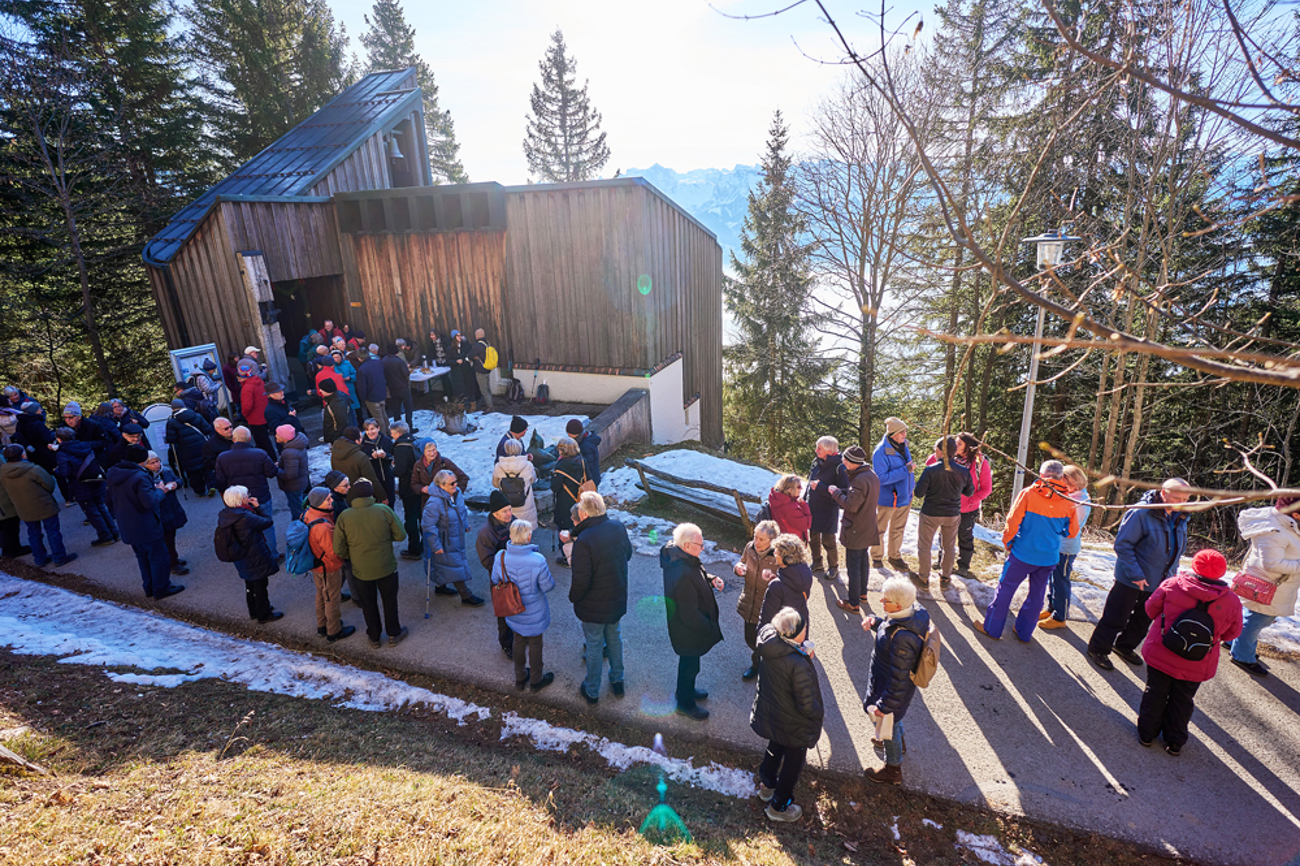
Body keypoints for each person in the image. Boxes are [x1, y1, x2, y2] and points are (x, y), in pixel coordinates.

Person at [1138, 549, 1242, 756]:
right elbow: (1232, 633)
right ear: (1222, 571)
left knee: (1155, 692)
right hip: (1198, 661)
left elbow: (1150, 609)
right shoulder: (1231, 601)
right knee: (1183, 699)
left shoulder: (1172, 585)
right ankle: (1175, 741)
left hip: (1162, 652)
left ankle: (1146, 734)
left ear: (1195, 565)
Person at [1087, 478, 1192, 671]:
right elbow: (1123, 545)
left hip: (1159, 580)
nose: (1181, 503)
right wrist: (1135, 574)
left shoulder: (1182, 516)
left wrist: (1171, 577)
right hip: (1131, 578)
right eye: (1177, 498)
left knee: (1143, 619)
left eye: (1185, 499)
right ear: (1163, 493)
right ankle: (1098, 649)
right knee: (1116, 616)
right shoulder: (1141, 512)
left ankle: (1124, 647)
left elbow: (1175, 550)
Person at [975, 461, 1079, 644]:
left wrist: (1008, 542)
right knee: (1037, 594)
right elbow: (1072, 532)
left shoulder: (1029, 493)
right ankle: (1024, 632)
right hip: (1049, 557)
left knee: (1005, 589)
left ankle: (992, 628)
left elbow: (1012, 521)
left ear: (1041, 474)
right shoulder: (1068, 500)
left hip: (1023, 553)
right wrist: (1057, 531)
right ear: (1060, 477)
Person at [751, 606, 823, 823]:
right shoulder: (797, 664)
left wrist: (800, 652)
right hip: (794, 723)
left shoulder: (769, 644)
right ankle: (779, 806)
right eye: (804, 628)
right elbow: (807, 704)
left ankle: (767, 787)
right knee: (793, 763)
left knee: (775, 747)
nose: (806, 630)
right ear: (795, 633)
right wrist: (817, 713)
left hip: (775, 713)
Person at [861, 575, 930, 785]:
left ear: (898, 605)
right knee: (893, 723)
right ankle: (899, 743)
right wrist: (876, 622)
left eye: (885, 600)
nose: (881, 602)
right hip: (887, 683)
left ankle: (892, 770)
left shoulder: (902, 640)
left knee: (888, 724)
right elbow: (890, 627)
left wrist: (885, 705)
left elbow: (897, 680)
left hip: (888, 690)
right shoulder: (911, 613)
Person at [569, 491, 633, 704]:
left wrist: (573, 597)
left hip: (593, 605)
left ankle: (592, 690)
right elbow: (628, 554)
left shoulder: (584, 540)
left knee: (594, 645)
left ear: (585, 514)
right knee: (614, 638)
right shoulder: (618, 527)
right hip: (616, 597)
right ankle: (617, 681)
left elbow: (581, 580)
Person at [1225, 498, 1300, 676]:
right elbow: (1272, 564)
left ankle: (1233, 641)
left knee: (1252, 617)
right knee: (1257, 620)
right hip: (1269, 585)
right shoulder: (1275, 531)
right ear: (1296, 514)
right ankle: (1242, 656)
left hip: (1270, 583)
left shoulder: (1284, 523)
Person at [661, 522, 725, 721]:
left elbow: (698, 570)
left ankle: (686, 691)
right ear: (687, 545)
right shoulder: (683, 572)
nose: (703, 548)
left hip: (687, 629)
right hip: (688, 630)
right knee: (689, 667)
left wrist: (710, 578)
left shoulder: (683, 557)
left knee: (690, 664)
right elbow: (689, 613)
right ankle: (685, 704)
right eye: (700, 545)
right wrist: (708, 627)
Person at [334, 478, 407, 647]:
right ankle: (394, 633)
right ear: (371, 494)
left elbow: (338, 548)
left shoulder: (345, 516)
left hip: (361, 570)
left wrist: (352, 556)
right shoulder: (383, 510)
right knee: (389, 601)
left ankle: (374, 637)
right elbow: (401, 535)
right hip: (386, 566)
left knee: (368, 603)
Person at [491, 519, 557, 691]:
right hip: (534, 612)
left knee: (518, 641)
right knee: (535, 644)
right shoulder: (538, 560)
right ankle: (536, 680)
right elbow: (548, 586)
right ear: (528, 537)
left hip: (513, 609)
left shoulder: (501, 556)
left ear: (511, 536)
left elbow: (495, 579)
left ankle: (520, 677)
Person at [106, 443, 177, 597]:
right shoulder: (140, 477)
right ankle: (161, 588)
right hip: (146, 525)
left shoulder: (113, 474)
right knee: (159, 558)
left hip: (127, 525)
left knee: (142, 557)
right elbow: (150, 502)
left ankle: (149, 587)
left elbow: (109, 501)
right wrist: (161, 491)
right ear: (143, 460)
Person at [914, 436, 975, 590]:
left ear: (941, 451)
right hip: (952, 513)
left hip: (931, 513)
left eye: (936, 449)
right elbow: (969, 492)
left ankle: (923, 579)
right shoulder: (963, 471)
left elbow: (919, 493)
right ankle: (945, 578)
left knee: (925, 546)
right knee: (949, 547)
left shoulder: (931, 470)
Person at [1, 444, 76, 567]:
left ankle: (40, 559)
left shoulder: (3, 473)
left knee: (33, 533)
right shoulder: (33, 469)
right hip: (43, 504)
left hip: (22, 507)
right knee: (52, 531)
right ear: (22, 455)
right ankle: (59, 557)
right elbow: (49, 484)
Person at [422, 469, 486, 606]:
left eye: (456, 482)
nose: (455, 485)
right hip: (444, 541)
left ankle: (440, 586)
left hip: (456, 537)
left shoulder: (457, 494)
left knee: (445, 565)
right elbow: (428, 526)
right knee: (454, 566)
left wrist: (465, 524)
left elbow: (461, 512)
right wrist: (436, 545)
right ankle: (466, 595)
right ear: (441, 485)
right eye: (452, 483)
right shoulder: (434, 503)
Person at [217, 485, 281, 622]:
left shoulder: (226, 515)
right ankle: (264, 614)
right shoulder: (245, 517)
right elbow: (267, 521)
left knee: (250, 583)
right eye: (247, 495)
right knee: (260, 585)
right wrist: (258, 507)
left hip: (241, 556)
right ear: (241, 500)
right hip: (254, 555)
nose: (249, 497)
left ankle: (254, 610)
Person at [828, 445, 880, 612]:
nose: (843, 462)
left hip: (856, 529)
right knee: (863, 561)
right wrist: (843, 491)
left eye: (845, 460)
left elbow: (851, 505)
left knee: (853, 567)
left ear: (852, 462)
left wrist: (836, 493)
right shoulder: (871, 475)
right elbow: (858, 497)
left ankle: (853, 603)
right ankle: (862, 595)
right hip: (867, 526)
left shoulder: (859, 480)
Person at [214, 426, 280, 559]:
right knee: (266, 526)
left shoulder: (222, 457)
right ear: (249, 438)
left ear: (233, 439)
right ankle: (272, 555)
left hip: (237, 501)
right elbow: (272, 473)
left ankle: (250, 557)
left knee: (242, 529)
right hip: (260, 496)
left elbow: (220, 482)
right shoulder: (260, 454)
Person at [1041, 465, 1092, 630]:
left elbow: (1070, 526)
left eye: (1065, 482)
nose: (1062, 485)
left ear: (1074, 482)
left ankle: (1060, 616)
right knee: (1053, 579)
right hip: (1057, 545)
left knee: (1061, 581)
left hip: (1066, 547)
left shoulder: (1080, 501)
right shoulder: (1071, 496)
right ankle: (1051, 607)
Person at [303, 487, 356, 643]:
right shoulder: (324, 527)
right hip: (329, 568)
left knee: (321, 595)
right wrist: (341, 561)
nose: (332, 500)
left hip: (317, 565)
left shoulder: (307, 514)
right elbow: (334, 552)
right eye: (328, 499)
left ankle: (322, 626)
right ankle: (334, 631)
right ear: (319, 502)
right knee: (332, 599)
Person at [54, 427, 118, 547]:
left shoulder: (62, 453)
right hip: (95, 480)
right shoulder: (85, 446)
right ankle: (114, 532)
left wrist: (56, 470)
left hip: (80, 485)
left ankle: (105, 536)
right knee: (101, 507)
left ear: (59, 439)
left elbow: (65, 472)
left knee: (92, 512)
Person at [734, 520, 781, 680]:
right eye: (755, 537)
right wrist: (738, 568)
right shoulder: (749, 547)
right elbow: (742, 562)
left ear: (772, 541)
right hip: (749, 603)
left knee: (766, 641)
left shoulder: (778, 556)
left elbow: (787, 582)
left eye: (761, 539)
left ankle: (759, 666)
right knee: (750, 638)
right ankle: (761, 662)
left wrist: (774, 580)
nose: (757, 542)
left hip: (768, 607)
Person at [872, 418, 915, 572]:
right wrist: (906, 470)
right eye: (901, 432)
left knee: (898, 529)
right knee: (880, 529)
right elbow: (881, 478)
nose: (905, 434)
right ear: (893, 434)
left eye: (905, 431)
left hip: (905, 496)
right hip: (888, 499)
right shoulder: (880, 452)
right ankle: (877, 557)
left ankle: (894, 556)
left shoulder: (904, 445)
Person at [477, 490, 517, 657]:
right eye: (504, 511)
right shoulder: (486, 533)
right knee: (504, 613)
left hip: (518, 576)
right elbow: (487, 561)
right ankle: (507, 644)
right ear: (495, 513)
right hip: (501, 581)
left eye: (510, 509)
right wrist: (508, 564)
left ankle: (519, 638)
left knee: (519, 608)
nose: (509, 514)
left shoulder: (514, 522)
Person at [805, 436, 847, 579]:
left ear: (829, 451)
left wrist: (821, 488)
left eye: (819, 449)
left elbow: (843, 491)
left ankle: (833, 567)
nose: (816, 451)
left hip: (829, 509)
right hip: (813, 505)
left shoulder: (840, 467)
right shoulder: (816, 462)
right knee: (813, 537)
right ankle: (817, 562)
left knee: (828, 540)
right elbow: (810, 482)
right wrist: (804, 498)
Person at [758, 534, 814, 642]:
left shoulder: (776, 587)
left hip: (781, 636)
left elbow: (766, 618)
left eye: (777, 553)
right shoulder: (806, 574)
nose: (774, 553)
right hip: (800, 630)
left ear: (786, 558)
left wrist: (760, 641)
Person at [953, 433, 993, 578]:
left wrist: (971, 500)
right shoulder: (950, 459)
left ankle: (963, 566)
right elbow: (931, 463)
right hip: (949, 505)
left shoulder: (979, 463)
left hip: (968, 509)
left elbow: (987, 488)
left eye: (959, 444)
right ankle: (942, 561)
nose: (955, 446)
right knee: (945, 536)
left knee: (965, 536)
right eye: (955, 442)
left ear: (968, 447)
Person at [145, 450, 189, 576]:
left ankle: (173, 558)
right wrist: (160, 490)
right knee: (167, 540)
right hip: (161, 512)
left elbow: (179, 480)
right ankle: (172, 563)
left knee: (171, 537)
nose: (156, 464)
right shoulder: (146, 477)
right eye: (152, 463)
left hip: (172, 509)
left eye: (157, 461)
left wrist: (176, 484)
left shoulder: (166, 471)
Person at [388, 421, 422, 560]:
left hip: (409, 487)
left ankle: (414, 549)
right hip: (421, 484)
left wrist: (392, 468)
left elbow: (400, 471)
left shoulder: (400, 447)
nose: (391, 435)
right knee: (422, 516)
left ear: (398, 433)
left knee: (411, 519)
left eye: (392, 433)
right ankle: (426, 545)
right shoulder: (416, 441)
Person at [551, 436, 588, 565]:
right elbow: (589, 477)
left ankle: (567, 557)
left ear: (563, 451)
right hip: (581, 501)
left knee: (565, 529)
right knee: (580, 527)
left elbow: (555, 487)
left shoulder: (561, 466)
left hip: (565, 503)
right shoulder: (582, 461)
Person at [164, 398, 212, 495]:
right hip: (201, 446)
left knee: (193, 471)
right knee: (206, 467)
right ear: (184, 406)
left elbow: (172, 440)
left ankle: (200, 491)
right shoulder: (197, 415)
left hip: (185, 450)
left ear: (172, 409)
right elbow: (207, 430)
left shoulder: (172, 422)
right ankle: (211, 486)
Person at [492, 438, 538, 529]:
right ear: (520, 449)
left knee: (509, 532)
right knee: (525, 531)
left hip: (507, 506)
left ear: (506, 450)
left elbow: (495, 484)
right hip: (525, 504)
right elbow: (533, 480)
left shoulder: (498, 466)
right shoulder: (528, 465)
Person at [238, 358, 276, 458]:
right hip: (265, 413)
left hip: (255, 418)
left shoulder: (247, 387)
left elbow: (247, 406)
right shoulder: (259, 381)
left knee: (262, 441)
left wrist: (244, 415)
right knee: (266, 439)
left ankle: (271, 459)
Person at [331, 425, 384, 495]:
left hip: (343, 493)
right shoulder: (361, 457)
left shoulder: (335, 453)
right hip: (360, 494)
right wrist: (382, 496)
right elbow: (371, 480)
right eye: (361, 437)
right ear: (357, 441)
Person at [275, 424, 310, 521]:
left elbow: (290, 474)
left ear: (284, 438)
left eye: (277, 434)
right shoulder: (297, 445)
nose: (275, 436)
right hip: (301, 482)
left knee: (297, 511)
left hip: (294, 486)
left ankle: (301, 526)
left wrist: (276, 469)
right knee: (300, 504)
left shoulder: (289, 452)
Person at [360, 419, 396, 505]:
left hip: (388, 477)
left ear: (378, 428)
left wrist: (385, 455)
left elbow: (394, 456)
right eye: (367, 430)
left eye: (372, 429)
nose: (370, 432)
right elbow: (361, 461)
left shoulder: (386, 440)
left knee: (390, 501)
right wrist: (371, 457)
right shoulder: (363, 444)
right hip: (373, 480)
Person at [767, 474, 811, 541]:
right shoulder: (790, 508)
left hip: (782, 537)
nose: (801, 489)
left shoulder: (777, 498)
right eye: (799, 487)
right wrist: (803, 505)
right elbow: (806, 524)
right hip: (792, 542)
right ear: (790, 490)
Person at [355, 348, 388, 434]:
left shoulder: (362, 369)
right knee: (383, 414)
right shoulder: (378, 362)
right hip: (381, 392)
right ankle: (388, 431)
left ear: (359, 357)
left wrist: (362, 398)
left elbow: (362, 386)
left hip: (371, 397)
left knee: (378, 418)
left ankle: (383, 435)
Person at [382, 344, 414, 428]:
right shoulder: (399, 361)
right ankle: (409, 426)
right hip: (403, 387)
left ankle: (398, 427)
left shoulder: (383, 361)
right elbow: (406, 373)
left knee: (396, 409)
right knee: (408, 408)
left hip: (392, 387)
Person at [201, 417, 234, 496]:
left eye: (231, 427)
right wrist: (224, 463)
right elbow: (207, 463)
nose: (230, 430)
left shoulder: (237, 437)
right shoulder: (210, 444)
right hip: (226, 480)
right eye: (226, 428)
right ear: (217, 430)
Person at [566, 418, 602, 487]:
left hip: (589, 481)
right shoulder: (583, 440)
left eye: (570, 435)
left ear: (576, 434)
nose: (568, 436)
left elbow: (587, 466)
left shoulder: (586, 446)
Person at [318, 378, 352, 445]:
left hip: (338, 439)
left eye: (322, 389)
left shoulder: (337, 403)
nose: (320, 391)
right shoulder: (335, 399)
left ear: (327, 390)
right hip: (337, 437)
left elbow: (342, 423)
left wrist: (335, 439)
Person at [470, 328, 495, 412]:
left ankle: (490, 406)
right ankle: (490, 402)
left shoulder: (478, 345)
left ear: (477, 336)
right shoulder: (487, 343)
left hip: (481, 370)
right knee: (488, 388)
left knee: (484, 390)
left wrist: (474, 357)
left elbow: (470, 355)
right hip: (487, 369)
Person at [451, 330, 478, 404]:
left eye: (460, 335)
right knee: (460, 389)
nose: (460, 337)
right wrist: (456, 361)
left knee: (470, 387)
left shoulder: (466, 345)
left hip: (467, 369)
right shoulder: (450, 348)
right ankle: (462, 404)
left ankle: (473, 403)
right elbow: (448, 360)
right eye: (458, 335)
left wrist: (468, 359)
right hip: (458, 372)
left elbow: (471, 353)